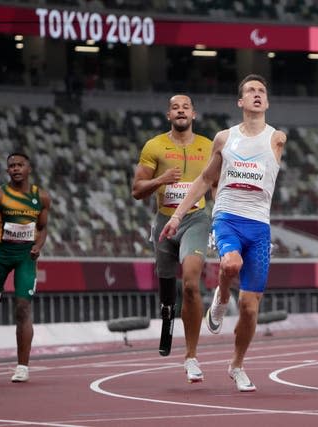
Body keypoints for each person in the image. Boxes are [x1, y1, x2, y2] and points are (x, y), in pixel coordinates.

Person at [160, 74, 286, 392]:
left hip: (259, 226)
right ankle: (221, 296)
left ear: (267, 102)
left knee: (251, 307)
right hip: (227, 217)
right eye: (250, 91)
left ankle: (237, 365)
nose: (257, 95)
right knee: (231, 264)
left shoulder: (277, 139)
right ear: (240, 102)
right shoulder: (224, 138)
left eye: (262, 91)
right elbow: (204, 179)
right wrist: (176, 216)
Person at [131, 94, 212, 383]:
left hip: (197, 220)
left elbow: (216, 188)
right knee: (166, 283)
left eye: (185, 107)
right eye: (175, 108)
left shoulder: (209, 145)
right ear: (169, 115)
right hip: (165, 221)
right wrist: (159, 181)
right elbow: (137, 189)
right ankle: (167, 314)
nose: (180, 111)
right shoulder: (154, 146)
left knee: (191, 283)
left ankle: (191, 356)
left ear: (194, 114)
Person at [0, 152, 51, 382]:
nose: (16, 168)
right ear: (7, 171)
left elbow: (43, 227)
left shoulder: (42, 197)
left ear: (29, 168)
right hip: (1, 255)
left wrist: (38, 245)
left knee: (22, 308)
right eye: (11, 166)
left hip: (25, 257)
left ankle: (22, 366)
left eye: (20, 165)